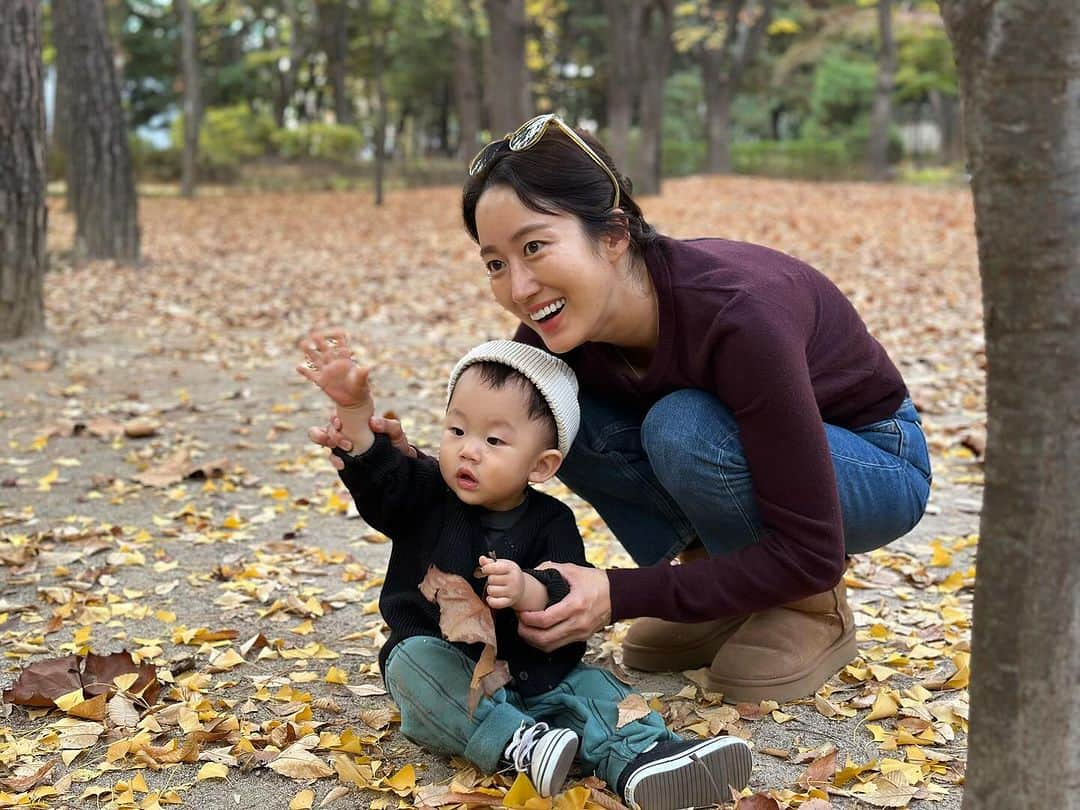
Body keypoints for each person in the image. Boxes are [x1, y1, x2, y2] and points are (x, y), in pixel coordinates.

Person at [316, 113, 934, 705]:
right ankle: (721, 583)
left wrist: (616, 593)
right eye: (497, 263)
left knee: (684, 427)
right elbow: (504, 457)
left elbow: (811, 543)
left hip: (873, 457)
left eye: (535, 247)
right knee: (546, 414)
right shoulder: (554, 335)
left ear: (612, 235)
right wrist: (391, 457)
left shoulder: (739, 315)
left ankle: (807, 606)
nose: (520, 288)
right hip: (754, 454)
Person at [298, 334, 753, 808]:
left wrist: (528, 588)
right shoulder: (427, 492)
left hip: (537, 676)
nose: (468, 451)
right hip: (452, 674)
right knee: (411, 664)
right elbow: (381, 476)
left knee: (595, 687)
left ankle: (645, 757)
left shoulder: (553, 521)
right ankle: (519, 745)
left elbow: (565, 592)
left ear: (541, 465)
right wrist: (355, 410)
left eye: (494, 440)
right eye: (457, 430)